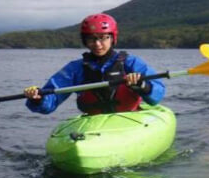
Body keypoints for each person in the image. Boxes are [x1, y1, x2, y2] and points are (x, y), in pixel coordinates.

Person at [24, 13, 165, 115]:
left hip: (131, 115)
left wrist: (141, 85)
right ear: (85, 41)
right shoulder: (75, 69)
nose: (97, 44)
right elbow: (50, 102)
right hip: (94, 121)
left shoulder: (131, 62)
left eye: (103, 38)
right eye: (91, 39)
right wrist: (38, 98)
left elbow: (156, 97)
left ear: (112, 38)